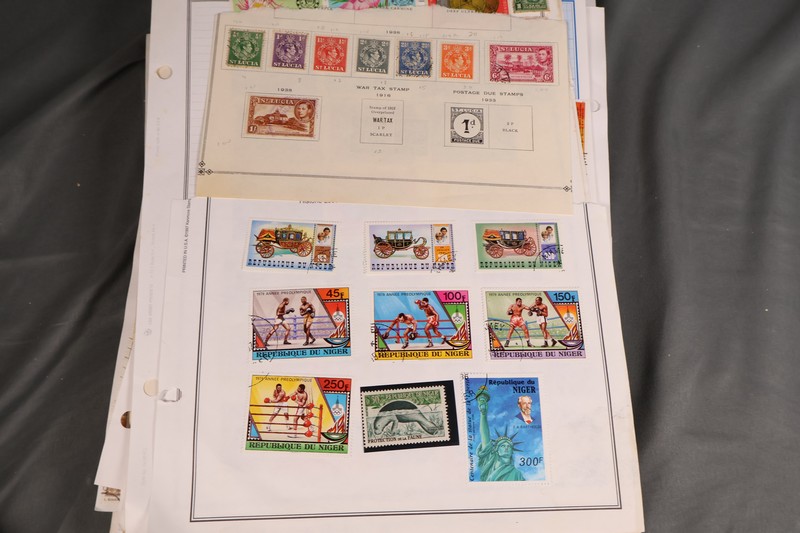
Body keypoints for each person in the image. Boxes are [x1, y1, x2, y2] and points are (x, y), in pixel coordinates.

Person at [475, 387, 525, 481]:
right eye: (502, 446)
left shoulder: (517, 474)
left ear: (512, 451)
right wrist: (483, 414)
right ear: (496, 450)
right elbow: (485, 436)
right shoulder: (489, 464)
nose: (506, 448)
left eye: (509, 446)